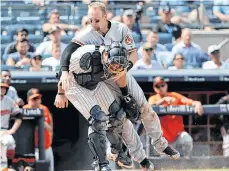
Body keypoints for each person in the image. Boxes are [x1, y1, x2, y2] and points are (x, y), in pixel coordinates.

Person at [58, 1, 179, 169]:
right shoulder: (87, 34)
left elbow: (133, 55)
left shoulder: (120, 29)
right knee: (120, 118)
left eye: (97, 20)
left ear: (105, 16)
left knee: (144, 109)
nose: (94, 24)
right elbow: (67, 53)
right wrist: (63, 75)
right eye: (90, 20)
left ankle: (160, 144)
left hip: (121, 71)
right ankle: (140, 158)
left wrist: (125, 86)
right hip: (101, 76)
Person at [55, 43, 145, 171]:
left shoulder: (118, 67)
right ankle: (101, 164)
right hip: (73, 84)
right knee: (99, 118)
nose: (116, 66)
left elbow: (121, 78)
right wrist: (60, 93)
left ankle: (117, 152)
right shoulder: (86, 56)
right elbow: (62, 73)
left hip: (94, 84)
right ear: (105, 55)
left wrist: (126, 96)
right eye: (114, 62)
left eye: (120, 64)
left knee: (118, 115)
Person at [148, 77, 203, 157]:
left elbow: (188, 101)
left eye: (162, 85)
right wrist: (164, 100)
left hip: (178, 135)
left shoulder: (174, 96)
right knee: (166, 164)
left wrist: (197, 103)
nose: (161, 88)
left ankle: (187, 161)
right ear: (154, 88)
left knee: (187, 139)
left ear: (166, 85)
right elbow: (149, 107)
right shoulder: (153, 99)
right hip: (163, 138)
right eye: (158, 86)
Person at [23, 88, 54, 171]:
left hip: (47, 147)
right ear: (28, 100)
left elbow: (51, 128)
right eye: (33, 99)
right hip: (33, 149)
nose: (36, 101)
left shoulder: (44, 109)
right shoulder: (25, 110)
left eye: (38, 98)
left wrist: (42, 122)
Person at [0, 79, 23, 170]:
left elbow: (19, 115)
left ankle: (10, 164)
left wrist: (12, 130)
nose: (2, 89)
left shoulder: (9, 100)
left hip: (3, 130)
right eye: (0, 87)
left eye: (4, 87)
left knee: (10, 142)